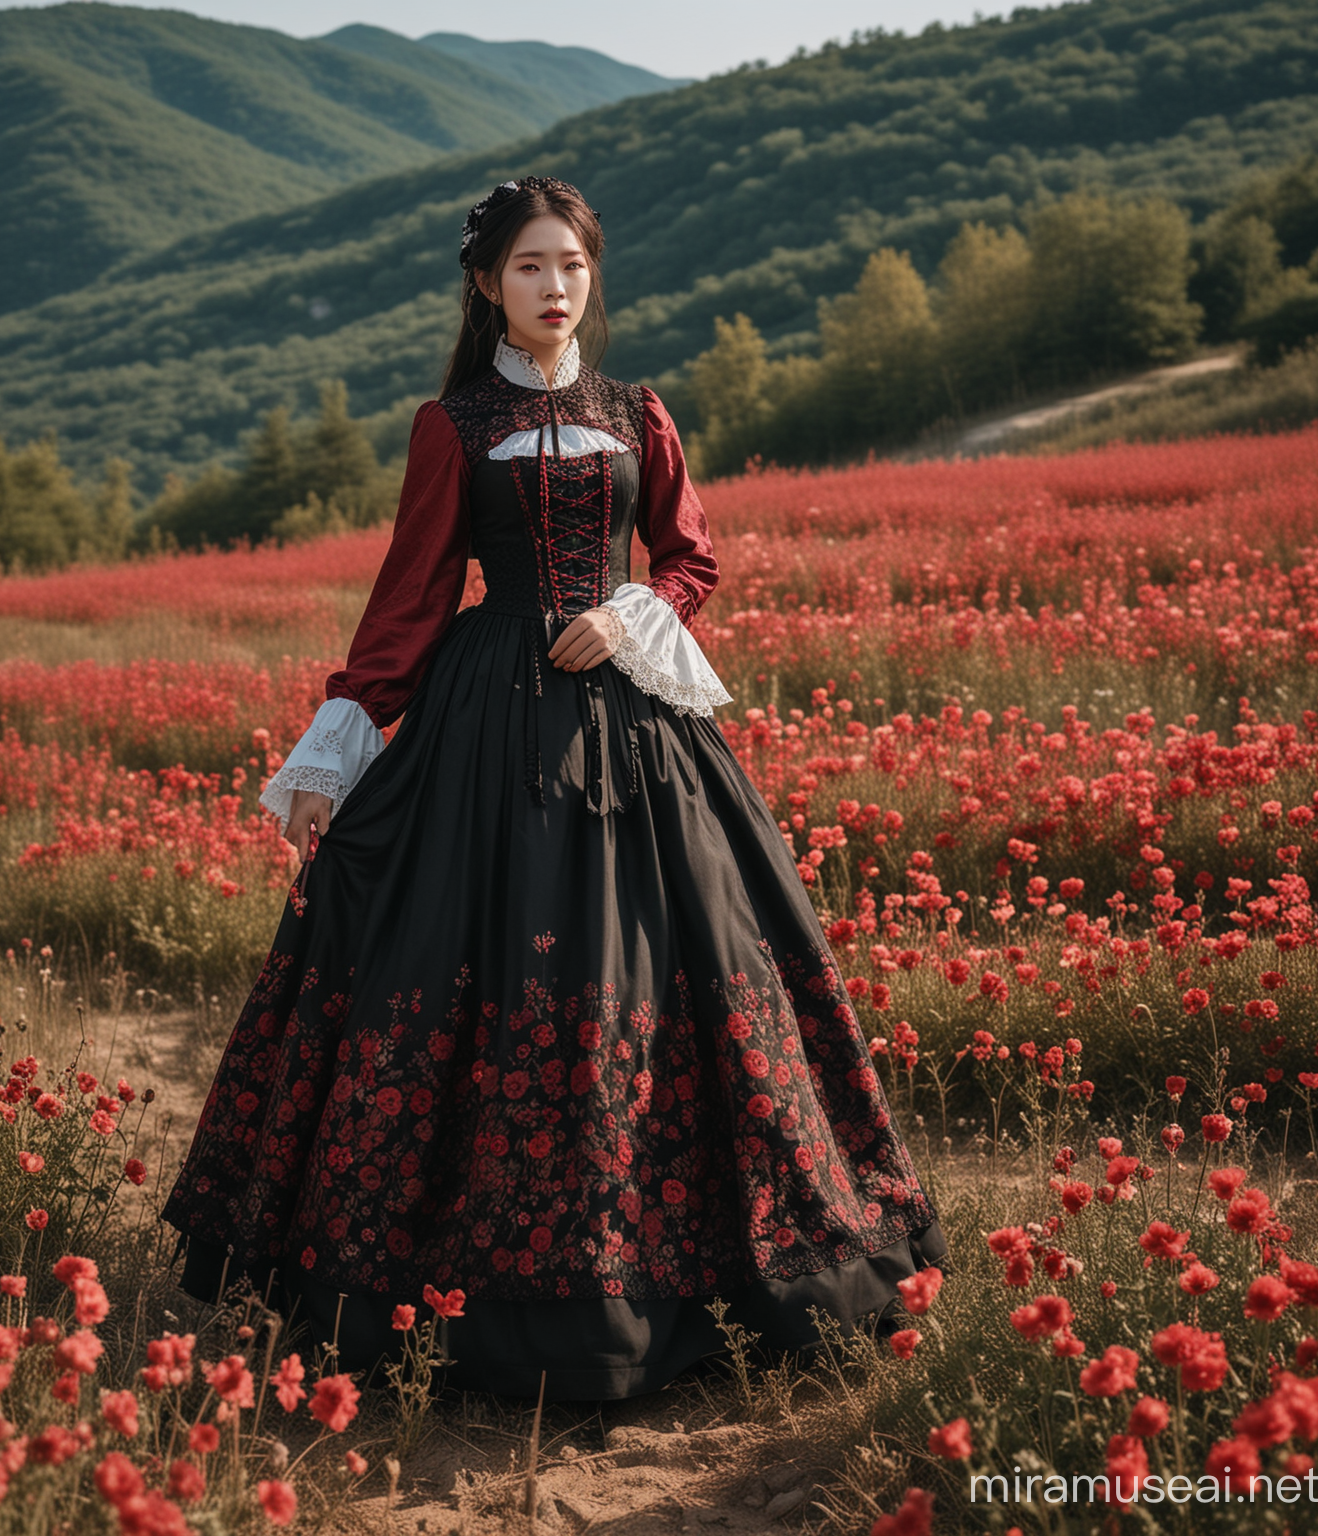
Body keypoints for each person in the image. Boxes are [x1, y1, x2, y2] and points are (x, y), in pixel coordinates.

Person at [159, 176, 948, 1401]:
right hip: (488, 729)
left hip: (635, 723)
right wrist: (338, 747)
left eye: (570, 266)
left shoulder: (640, 413)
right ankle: (479, 1306)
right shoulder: (455, 426)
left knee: (678, 961)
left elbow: (690, 555)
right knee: (465, 964)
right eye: (529, 268)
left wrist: (634, 609)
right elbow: (412, 597)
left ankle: (722, 1282)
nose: (554, 287)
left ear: (592, 278)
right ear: (489, 287)